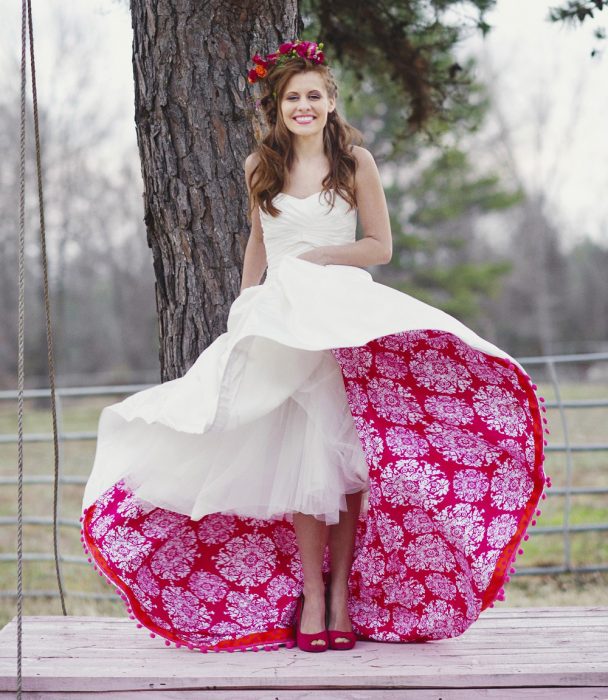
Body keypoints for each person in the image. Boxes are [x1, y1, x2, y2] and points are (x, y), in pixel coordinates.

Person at [81, 39, 550, 654]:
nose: (303, 106)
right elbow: (258, 242)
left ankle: (339, 597)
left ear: (331, 101)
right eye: (291, 98)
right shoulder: (260, 167)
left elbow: (379, 246)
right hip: (280, 322)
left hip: (339, 317)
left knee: (345, 463)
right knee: (301, 463)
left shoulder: (355, 163)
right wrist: (245, 306)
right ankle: (310, 593)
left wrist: (323, 256)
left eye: (313, 96)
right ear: (277, 108)